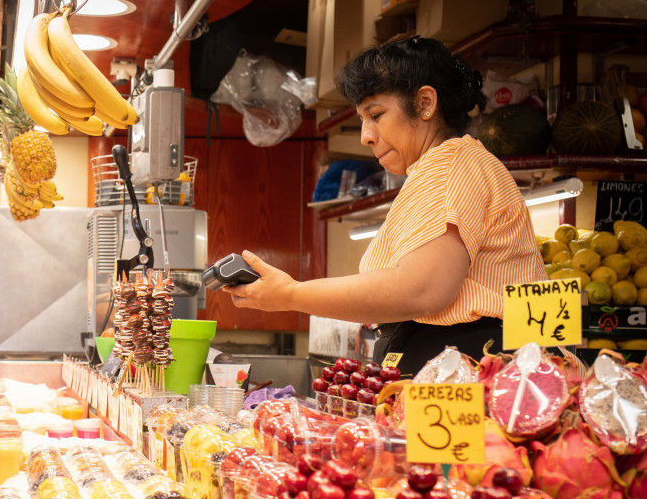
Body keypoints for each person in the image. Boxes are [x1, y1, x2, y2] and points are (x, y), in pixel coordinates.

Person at [224, 36, 546, 375]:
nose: (365, 136)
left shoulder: (449, 165)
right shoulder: (450, 165)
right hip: (462, 357)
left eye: (375, 115)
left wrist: (291, 295)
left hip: (475, 361)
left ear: (425, 103)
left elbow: (421, 289)